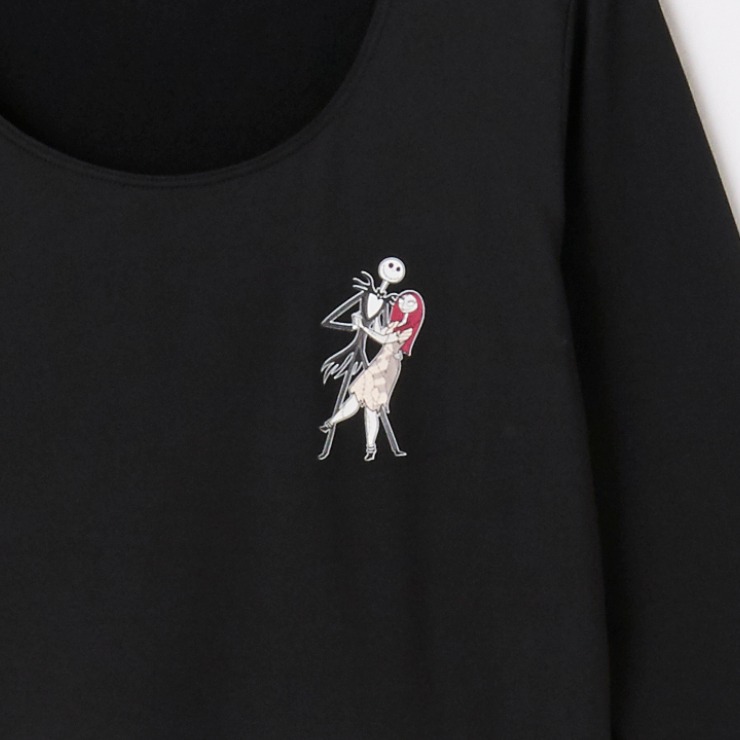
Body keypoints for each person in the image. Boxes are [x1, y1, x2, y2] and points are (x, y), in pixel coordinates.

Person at [320, 290, 425, 460]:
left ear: (417, 309)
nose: (405, 304)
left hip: (387, 367)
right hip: (378, 364)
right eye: (403, 300)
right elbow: (379, 331)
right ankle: (330, 423)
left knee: (371, 408)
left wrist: (362, 326)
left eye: (411, 303)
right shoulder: (396, 322)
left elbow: (384, 339)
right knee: (356, 397)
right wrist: (372, 315)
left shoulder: (408, 328)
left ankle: (370, 447)